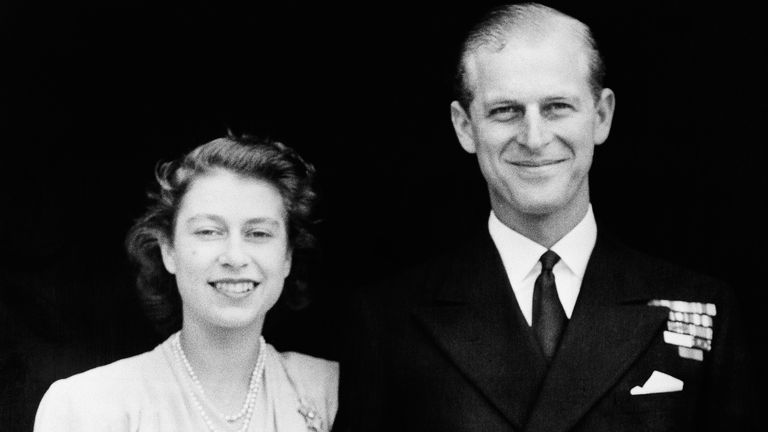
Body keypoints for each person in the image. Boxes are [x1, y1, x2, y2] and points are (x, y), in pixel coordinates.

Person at [338, 3, 747, 431]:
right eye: (505, 111)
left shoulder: (703, 306)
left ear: (601, 116)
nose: (534, 139)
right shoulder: (387, 320)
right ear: (464, 127)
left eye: (556, 107)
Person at [34, 135, 338, 432]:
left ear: (287, 257)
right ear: (168, 249)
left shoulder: (328, 391)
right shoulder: (89, 405)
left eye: (258, 233)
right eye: (208, 231)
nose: (234, 257)